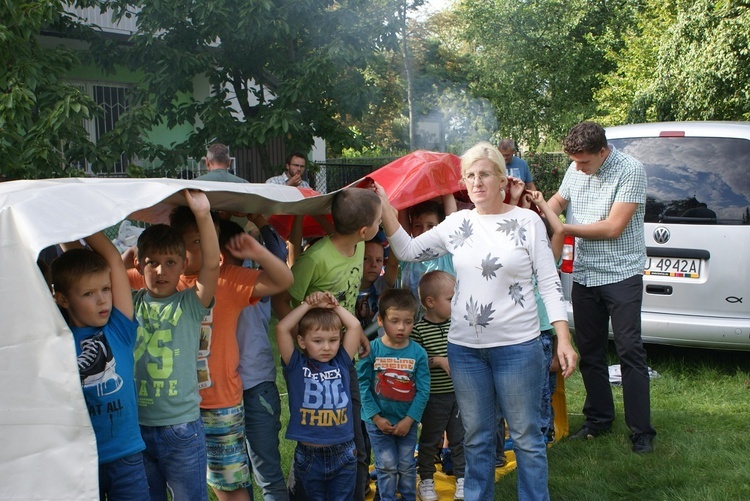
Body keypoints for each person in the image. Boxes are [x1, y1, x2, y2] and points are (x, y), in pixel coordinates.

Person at [375, 142, 578, 500]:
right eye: (470, 175)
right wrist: (385, 208)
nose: (477, 182)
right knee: (478, 438)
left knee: (527, 437)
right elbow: (407, 250)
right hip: (466, 352)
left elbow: (548, 283)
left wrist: (563, 338)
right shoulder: (458, 223)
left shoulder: (527, 221)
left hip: (518, 347)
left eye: (485, 173)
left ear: (502, 178)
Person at [129, 209, 293, 501]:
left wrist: (258, 251)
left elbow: (282, 280)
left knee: (229, 489)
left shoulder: (228, 278)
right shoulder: (160, 275)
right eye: (197, 241)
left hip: (219, 404)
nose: (208, 248)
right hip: (166, 413)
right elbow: (111, 278)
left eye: (211, 239)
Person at [547, 121, 657, 453]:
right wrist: (533, 212)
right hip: (584, 275)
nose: (578, 168)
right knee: (591, 352)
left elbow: (613, 227)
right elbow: (556, 203)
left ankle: (641, 431)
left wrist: (562, 228)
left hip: (621, 274)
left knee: (629, 351)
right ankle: (599, 419)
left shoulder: (631, 170)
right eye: (575, 162)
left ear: (603, 152)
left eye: (584, 162)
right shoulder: (576, 166)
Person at [271, 187, 382, 501]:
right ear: (364, 230)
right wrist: (303, 342)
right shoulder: (315, 259)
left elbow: (343, 218)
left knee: (355, 438)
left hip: (342, 353)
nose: (379, 224)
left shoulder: (359, 244)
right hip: (313, 359)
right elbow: (282, 298)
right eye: (377, 220)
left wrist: (354, 333)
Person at [131, 189, 220, 501]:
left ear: (183, 264)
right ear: (137, 263)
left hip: (181, 430)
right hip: (137, 430)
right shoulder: (128, 304)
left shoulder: (191, 304)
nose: (160, 271)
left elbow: (211, 264)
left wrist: (203, 215)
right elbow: (103, 267)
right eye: (152, 262)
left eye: (170, 262)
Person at [51, 232, 149, 501]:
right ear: (62, 299)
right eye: (88, 293)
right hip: (77, 460)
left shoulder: (119, 328)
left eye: (105, 289)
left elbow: (115, 262)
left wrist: (83, 221)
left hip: (126, 458)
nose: (103, 299)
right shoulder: (55, 341)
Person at [276, 291, 364, 501]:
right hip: (309, 456)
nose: (326, 347)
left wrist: (333, 306)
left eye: (333, 340)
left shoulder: (342, 361)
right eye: (318, 340)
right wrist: (307, 304)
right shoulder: (296, 365)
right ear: (302, 341)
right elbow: (282, 328)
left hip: (344, 452)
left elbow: (354, 326)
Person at [227, 216, 291, 501]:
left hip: (256, 387)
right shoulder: (207, 284)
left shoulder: (256, 281)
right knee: (234, 477)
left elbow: (279, 257)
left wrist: (261, 222)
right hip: (221, 394)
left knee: (267, 471)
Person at [357, 289, 430, 501]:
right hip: (378, 423)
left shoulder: (418, 353)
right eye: (394, 320)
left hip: (407, 423)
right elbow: (362, 385)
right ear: (380, 320)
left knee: (407, 465)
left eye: (407, 322)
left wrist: (409, 420)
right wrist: (376, 418)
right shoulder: (371, 350)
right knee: (387, 465)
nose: (401, 327)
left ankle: (408, 497)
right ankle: (387, 498)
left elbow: (424, 390)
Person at [411, 270, 466, 501]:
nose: (456, 303)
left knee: (460, 438)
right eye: (451, 299)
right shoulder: (418, 330)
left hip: (459, 394)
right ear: (431, 302)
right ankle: (426, 480)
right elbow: (414, 361)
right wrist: (438, 361)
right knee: (430, 439)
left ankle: (463, 479)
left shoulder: (457, 324)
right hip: (433, 396)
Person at [397, 198, 456, 318]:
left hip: (447, 330)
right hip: (411, 329)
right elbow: (401, 229)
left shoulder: (447, 253)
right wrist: (403, 191)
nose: (424, 231)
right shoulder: (408, 255)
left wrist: (446, 189)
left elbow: (452, 222)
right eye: (417, 226)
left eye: (430, 226)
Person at [356, 235, 398, 339]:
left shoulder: (383, 285)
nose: (373, 264)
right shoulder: (346, 286)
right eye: (366, 259)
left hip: (378, 349)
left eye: (379, 260)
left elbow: (393, 264)